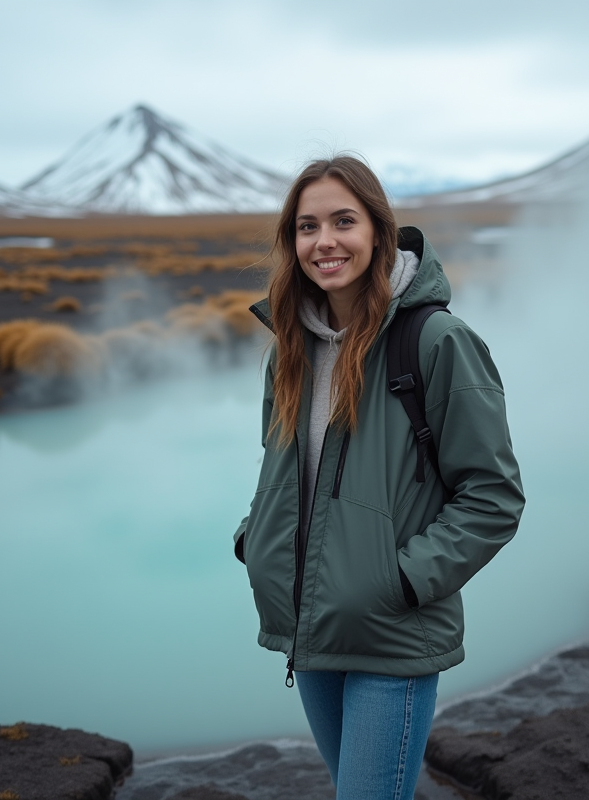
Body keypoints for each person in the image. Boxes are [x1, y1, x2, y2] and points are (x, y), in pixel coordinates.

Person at [232, 155, 524, 799]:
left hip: (392, 634)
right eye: (307, 226)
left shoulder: (436, 341)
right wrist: (257, 540)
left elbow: (493, 496)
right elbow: (282, 471)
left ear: (379, 231)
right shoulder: (288, 351)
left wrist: (401, 580)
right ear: (292, 242)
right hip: (310, 627)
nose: (325, 241)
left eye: (344, 220)